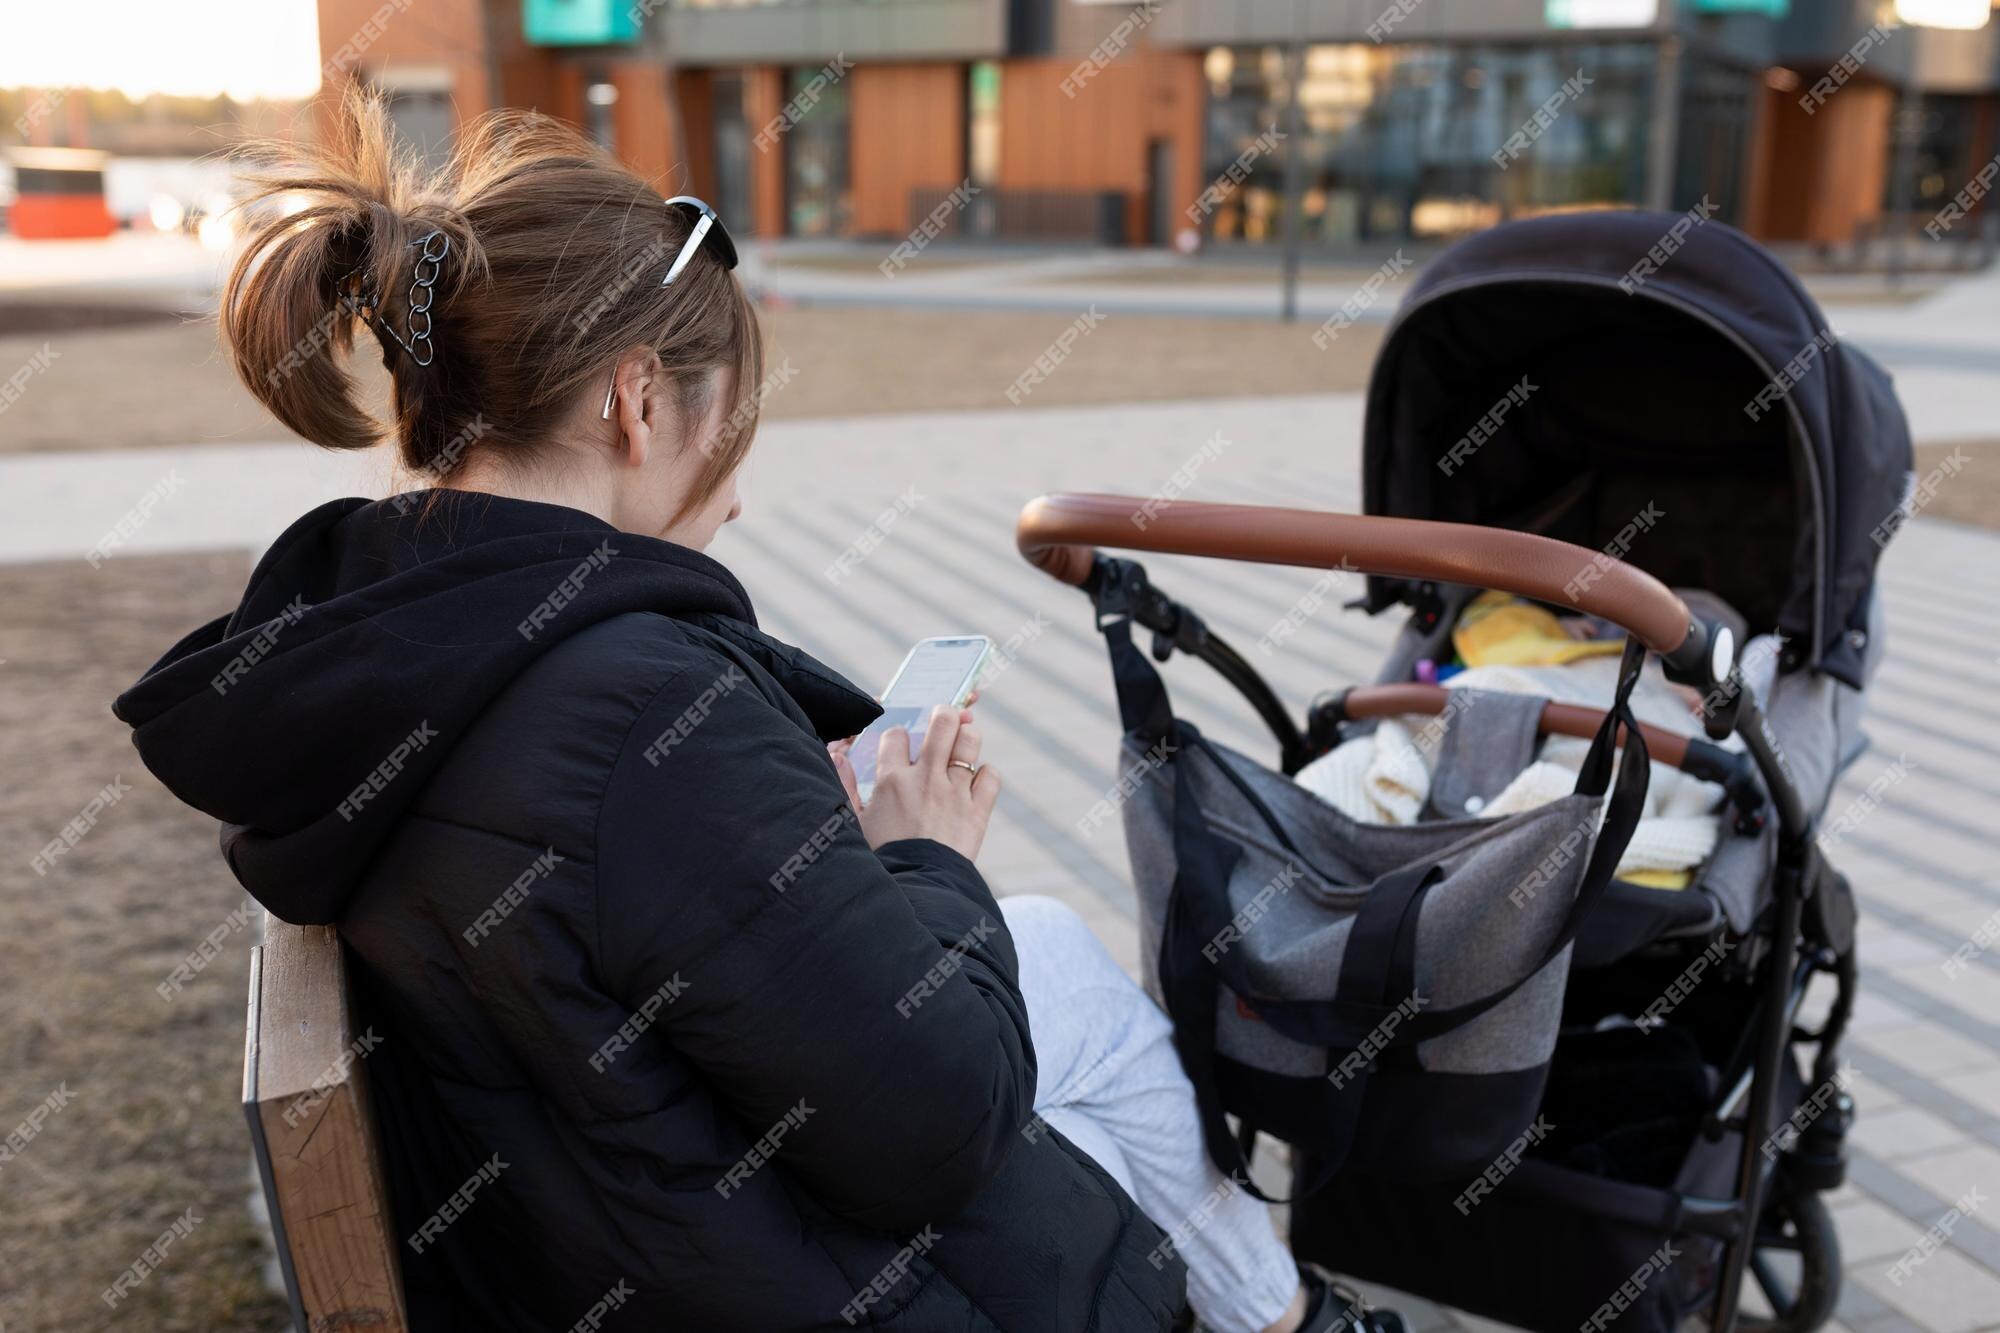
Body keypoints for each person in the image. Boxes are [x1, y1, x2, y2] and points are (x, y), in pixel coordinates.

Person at [115, 92, 1395, 1333]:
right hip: (776, 1274)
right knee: (1064, 982)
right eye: (731, 423)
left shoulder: (394, 636)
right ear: (634, 401)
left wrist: (803, 857)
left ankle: (1290, 1318)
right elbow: (936, 1129)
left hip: (595, 1232)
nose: (735, 494)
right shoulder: (635, 711)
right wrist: (923, 856)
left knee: (1052, 945)